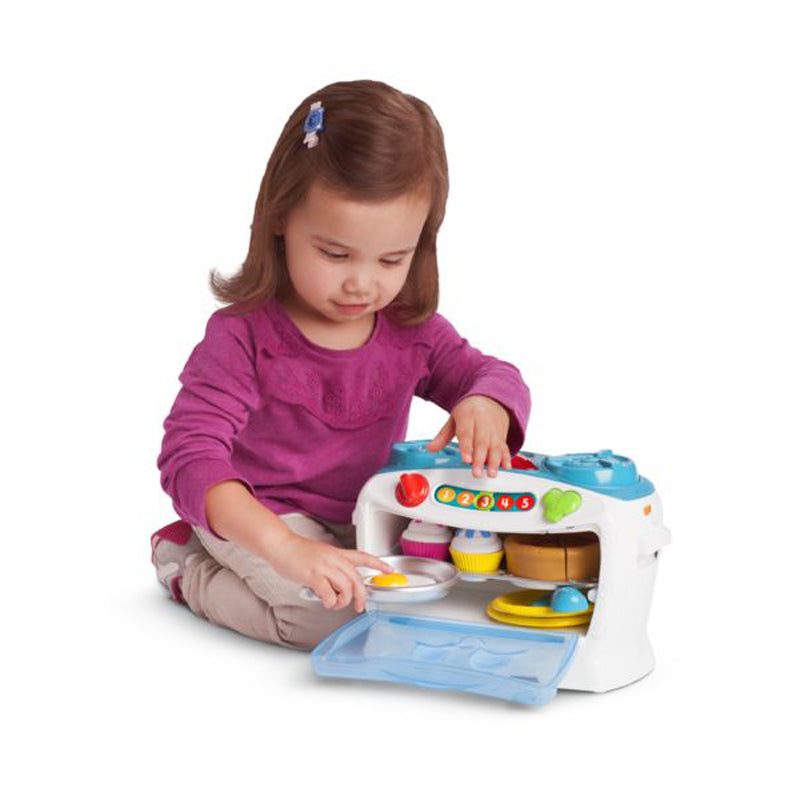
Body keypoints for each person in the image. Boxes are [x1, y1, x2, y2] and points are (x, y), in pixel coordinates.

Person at [153, 79, 531, 651]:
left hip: (366, 518)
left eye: (392, 259)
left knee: (422, 598)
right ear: (280, 218)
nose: (362, 283)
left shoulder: (412, 331)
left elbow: (491, 373)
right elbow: (190, 456)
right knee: (328, 620)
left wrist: (487, 401)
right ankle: (187, 565)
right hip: (258, 519)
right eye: (335, 253)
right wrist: (283, 547)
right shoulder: (241, 336)